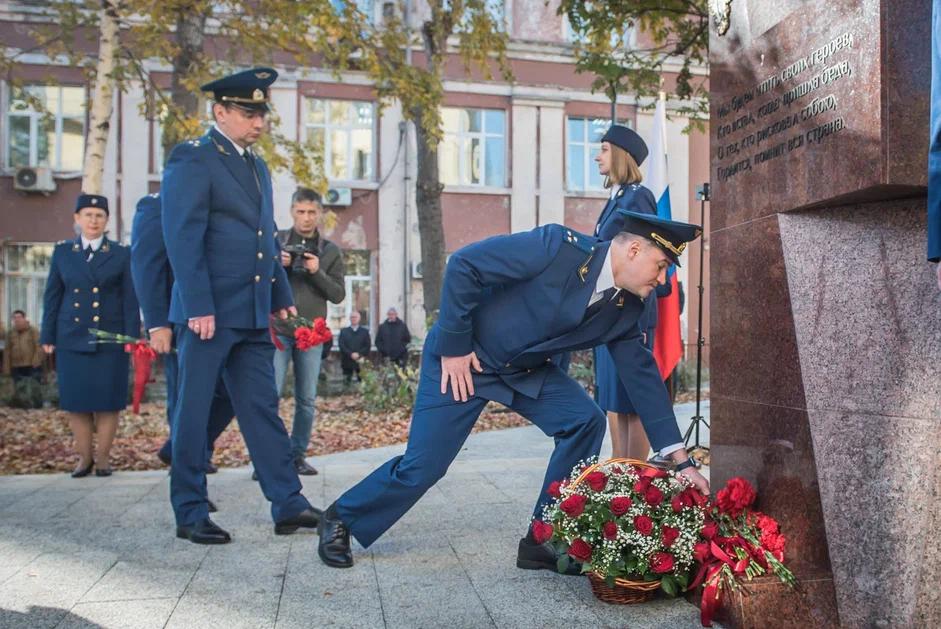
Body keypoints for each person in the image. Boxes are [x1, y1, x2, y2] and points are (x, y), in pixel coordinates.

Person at [317, 214, 709, 570]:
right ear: (635, 249)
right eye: (661, 266)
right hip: (465, 361)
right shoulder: (557, 248)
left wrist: (681, 461)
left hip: (524, 371)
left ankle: (543, 539)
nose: (662, 280)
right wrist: (453, 347)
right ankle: (341, 517)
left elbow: (642, 377)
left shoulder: (628, 308)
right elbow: (465, 265)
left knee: (583, 421)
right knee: (424, 467)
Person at [161, 67, 322, 544]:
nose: (258, 122)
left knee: (261, 408)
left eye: (261, 113)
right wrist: (197, 304)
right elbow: (182, 236)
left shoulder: (255, 165)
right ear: (220, 112)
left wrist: (280, 297)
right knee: (192, 413)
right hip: (208, 313)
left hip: (250, 312)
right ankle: (190, 510)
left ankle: (288, 502)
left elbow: (264, 238)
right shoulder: (193, 158)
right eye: (249, 113)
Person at [130, 192, 234, 501]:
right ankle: (189, 487)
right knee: (186, 401)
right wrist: (157, 323)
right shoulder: (156, 204)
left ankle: (179, 450)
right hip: (179, 321)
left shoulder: (214, 202)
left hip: (223, 317)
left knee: (230, 394)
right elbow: (146, 265)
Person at [40, 193, 140, 478]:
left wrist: (131, 338)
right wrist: (48, 335)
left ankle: (104, 459)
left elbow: (130, 300)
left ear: (106, 220)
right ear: (77, 219)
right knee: (77, 402)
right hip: (71, 337)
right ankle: (84, 459)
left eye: (99, 216)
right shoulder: (63, 252)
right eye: (87, 215)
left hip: (110, 338)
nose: (93, 220)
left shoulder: (122, 253)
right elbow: (52, 297)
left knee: (109, 401)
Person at [591, 124, 671, 461]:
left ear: (623, 155)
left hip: (629, 311)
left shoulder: (638, 196)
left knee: (632, 398)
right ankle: (618, 468)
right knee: (613, 396)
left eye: (605, 149)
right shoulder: (617, 198)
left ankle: (635, 473)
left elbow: (651, 252)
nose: (598, 156)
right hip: (608, 312)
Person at [274, 187, 345, 475]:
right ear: (292, 212)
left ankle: (297, 455)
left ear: (320, 214)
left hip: (311, 334)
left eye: (312, 212)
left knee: (306, 398)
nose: (306, 218)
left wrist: (317, 271)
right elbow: (255, 283)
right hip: (277, 330)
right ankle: (270, 457)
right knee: (270, 395)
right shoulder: (276, 243)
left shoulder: (329, 252)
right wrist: (277, 267)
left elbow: (338, 294)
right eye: (301, 212)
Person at [3, 310, 43, 383]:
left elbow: (39, 347)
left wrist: (36, 361)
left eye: (19, 317)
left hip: (31, 366)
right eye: (14, 318)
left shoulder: (32, 331)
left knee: (32, 389)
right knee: (18, 390)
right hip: (15, 367)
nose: (17, 319)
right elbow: (7, 351)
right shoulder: (10, 333)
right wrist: (7, 369)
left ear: (24, 318)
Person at [338, 310, 370, 384]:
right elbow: (341, 345)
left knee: (363, 383)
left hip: (360, 361)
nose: (354, 319)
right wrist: (350, 354)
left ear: (359, 318)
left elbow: (367, 346)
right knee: (346, 382)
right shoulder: (344, 331)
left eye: (355, 317)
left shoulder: (364, 332)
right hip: (347, 360)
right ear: (349, 318)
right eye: (352, 317)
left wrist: (358, 354)